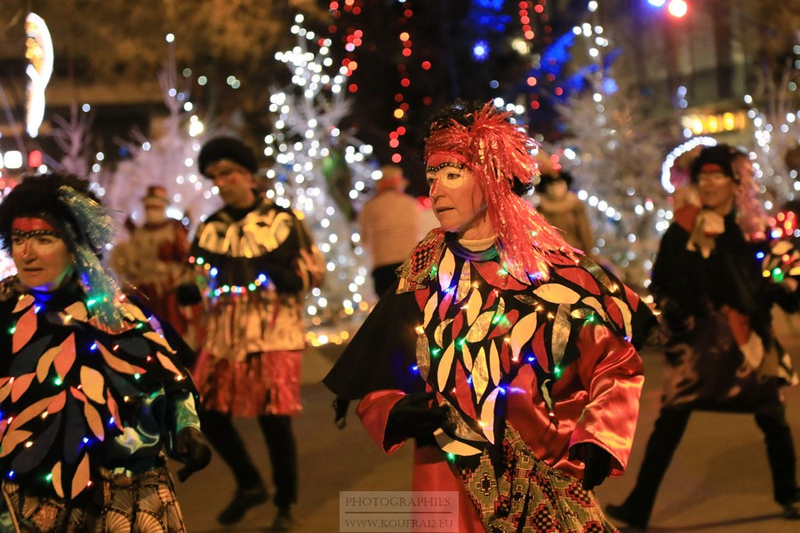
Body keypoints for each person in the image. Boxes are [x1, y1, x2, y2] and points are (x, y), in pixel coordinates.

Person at [325, 101, 656, 532]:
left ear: (492, 177)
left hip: (544, 472)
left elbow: (616, 363)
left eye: (452, 174)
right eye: (432, 176)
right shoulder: (425, 268)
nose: (437, 189)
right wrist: (392, 410)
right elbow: (380, 369)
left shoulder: (551, 266)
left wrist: (600, 436)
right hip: (447, 474)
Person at [0, 173, 211, 532]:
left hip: (125, 503)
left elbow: (169, 379)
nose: (26, 252)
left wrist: (187, 429)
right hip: (30, 504)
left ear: (76, 245)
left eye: (44, 238)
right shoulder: (6, 311)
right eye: (19, 238)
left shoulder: (120, 313)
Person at [606, 144, 800, 529]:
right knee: (671, 420)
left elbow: (766, 280)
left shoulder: (751, 230)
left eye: (719, 176)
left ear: (735, 182)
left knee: (773, 418)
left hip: (749, 341)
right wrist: (681, 305)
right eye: (704, 176)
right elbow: (663, 280)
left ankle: (789, 493)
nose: (710, 183)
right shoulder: (683, 227)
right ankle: (639, 507)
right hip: (700, 342)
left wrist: (784, 288)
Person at [179, 136, 324, 530]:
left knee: (274, 420)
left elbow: (314, 269)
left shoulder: (284, 220)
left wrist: (290, 277)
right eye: (214, 177)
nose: (220, 183)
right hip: (225, 334)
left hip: (274, 331)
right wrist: (191, 286)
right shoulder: (211, 228)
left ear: (247, 175)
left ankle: (286, 502)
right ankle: (249, 483)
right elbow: (194, 273)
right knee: (206, 411)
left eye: (226, 174)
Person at [111, 185, 199, 349]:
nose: (151, 211)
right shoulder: (139, 233)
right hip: (145, 293)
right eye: (148, 207)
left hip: (168, 293)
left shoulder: (173, 230)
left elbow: (186, 259)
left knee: (173, 331)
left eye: (155, 207)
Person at [358, 164, 421, 297]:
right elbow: (417, 231)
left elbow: (364, 241)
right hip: (408, 265)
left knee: (388, 312)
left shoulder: (369, 207)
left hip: (382, 267)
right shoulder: (410, 203)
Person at [536, 171, 595, 254]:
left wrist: (588, 252)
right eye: (552, 185)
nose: (556, 189)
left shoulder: (575, 204)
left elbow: (584, 230)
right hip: (552, 254)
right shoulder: (542, 208)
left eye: (559, 184)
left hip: (576, 252)